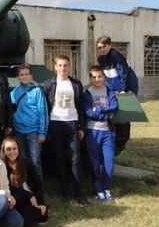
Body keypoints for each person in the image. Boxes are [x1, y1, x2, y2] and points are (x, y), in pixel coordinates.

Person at [41, 55, 87, 205]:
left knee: (75, 159)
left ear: (69, 66)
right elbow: (45, 108)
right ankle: (65, 192)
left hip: (72, 123)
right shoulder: (48, 85)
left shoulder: (76, 84)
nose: (63, 68)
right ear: (55, 67)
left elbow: (80, 107)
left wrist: (81, 126)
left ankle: (79, 193)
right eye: (60, 65)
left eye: (65, 65)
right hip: (56, 124)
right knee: (60, 159)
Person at [83, 65, 119, 203]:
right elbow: (88, 112)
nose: (97, 79)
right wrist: (106, 114)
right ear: (90, 78)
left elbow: (115, 107)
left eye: (100, 77)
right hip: (93, 132)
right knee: (95, 162)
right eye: (94, 77)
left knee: (109, 161)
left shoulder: (109, 92)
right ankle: (98, 190)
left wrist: (99, 109)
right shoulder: (88, 93)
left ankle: (107, 188)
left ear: (104, 77)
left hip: (107, 132)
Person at [10, 63, 48, 191]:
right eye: (21, 74)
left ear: (31, 76)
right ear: (17, 77)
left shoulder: (37, 91)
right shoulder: (15, 92)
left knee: (35, 161)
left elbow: (42, 111)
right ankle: (26, 190)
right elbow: (9, 107)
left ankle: (38, 189)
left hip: (34, 131)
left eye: (27, 74)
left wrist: (42, 132)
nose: (24, 76)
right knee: (22, 161)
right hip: (19, 130)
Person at [95, 35, 136, 155]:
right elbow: (106, 77)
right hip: (113, 90)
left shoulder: (116, 56)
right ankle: (115, 143)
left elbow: (123, 73)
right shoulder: (101, 59)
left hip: (126, 88)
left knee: (124, 117)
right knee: (114, 115)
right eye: (99, 48)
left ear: (109, 45)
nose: (102, 49)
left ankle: (122, 142)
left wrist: (123, 89)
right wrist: (111, 90)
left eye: (103, 47)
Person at [0, 136, 48, 227]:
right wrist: (28, 195)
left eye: (14, 148)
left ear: (18, 149)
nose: (12, 152)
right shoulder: (1, 166)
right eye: (8, 149)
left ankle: (41, 210)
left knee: (30, 217)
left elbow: (37, 184)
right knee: (26, 217)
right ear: (3, 151)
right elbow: (8, 188)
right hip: (14, 197)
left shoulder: (26, 163)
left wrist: (39, 202)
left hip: (29, 198)